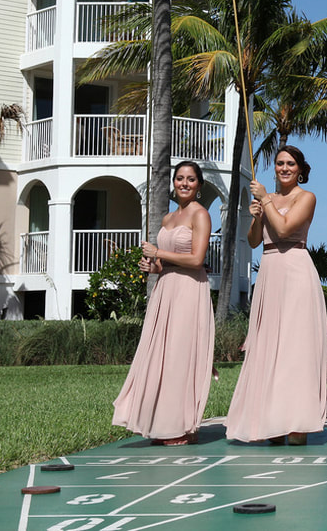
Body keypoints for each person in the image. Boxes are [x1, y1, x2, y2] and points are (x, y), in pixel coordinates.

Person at [226, 146, 326, 445]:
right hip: (269, 271)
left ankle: (296, 423)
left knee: (295, 348)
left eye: (290, 164)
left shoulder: (306, 198)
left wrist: (265, 199)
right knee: (269, 346)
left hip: (295, 269)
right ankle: (272, 420)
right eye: (280, 163)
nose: (284, 168)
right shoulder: (267, 200)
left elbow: (283, 230)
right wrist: (256, 215)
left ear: (300, 169)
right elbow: (256, 241)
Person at [113, 160, 214, 445]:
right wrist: (154, 267)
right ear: (173, 183)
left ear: (199, 185)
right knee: (160, 356)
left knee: (179, 357)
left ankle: (180, 426)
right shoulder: (168, 219)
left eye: (191, 179)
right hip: (165, 289)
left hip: (189, 290)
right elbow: (164, 263)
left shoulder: (201, 214)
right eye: (180, 178)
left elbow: (196, 260)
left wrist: (160, 252)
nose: (184, 183)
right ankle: (159, 422)